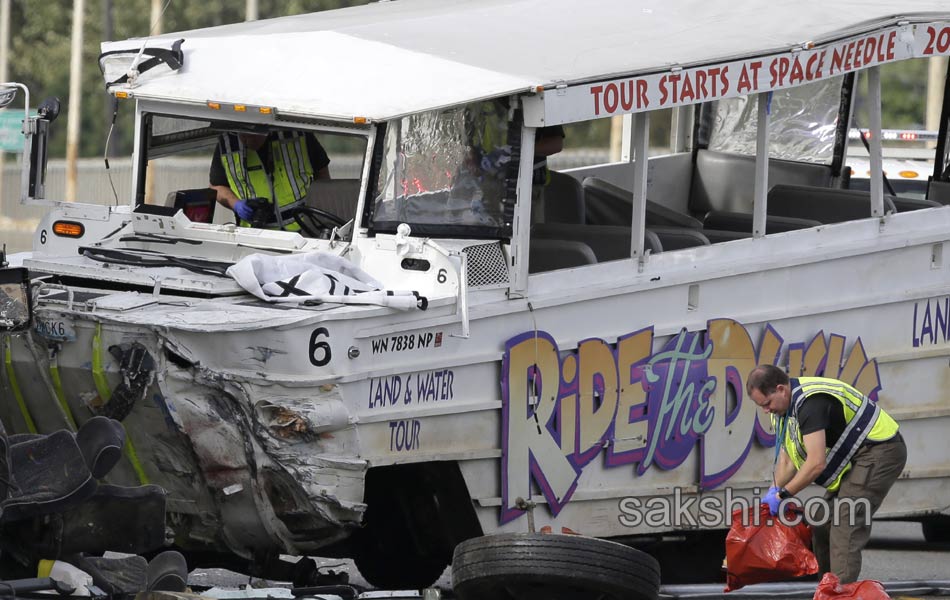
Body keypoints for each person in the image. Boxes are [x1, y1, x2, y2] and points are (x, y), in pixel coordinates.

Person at [746, 364, 906, 583]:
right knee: (821, 522)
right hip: (857, 457)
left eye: (766, 403)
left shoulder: (810, 403)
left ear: (781, 389)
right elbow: (787, 460)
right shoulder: (782, 411)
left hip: (880, 450)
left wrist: (784, 495)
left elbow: (815, 464)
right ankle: (826, 588)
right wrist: (772, 492)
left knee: (845, 522)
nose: (765, 410)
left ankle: (840, 593)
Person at [210, 130, 330, 230]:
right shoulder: (226, 145)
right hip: (255, 236)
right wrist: (235, 204)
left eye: (251, 133)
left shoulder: (297, 134)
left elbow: (323, 174)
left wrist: (320, 211)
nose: (245, 139)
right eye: (241, 134)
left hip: (305, 231)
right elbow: (216, 186)